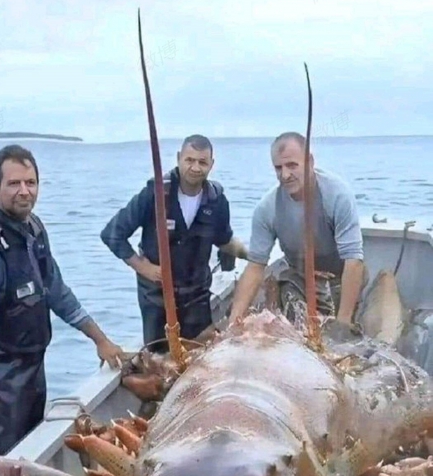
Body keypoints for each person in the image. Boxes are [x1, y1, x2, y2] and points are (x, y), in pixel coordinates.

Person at [0, 145, 124, 455]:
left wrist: (100, 339)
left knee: (31, 453)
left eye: (31, 182)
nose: (25, 191)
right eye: (14, 183)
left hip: (35, 368)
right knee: (7, 461)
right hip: (0, 378)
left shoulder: (33, 228)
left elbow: (57, 293)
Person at [101, 134, 248, 348]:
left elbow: (224, 240)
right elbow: (112, 234)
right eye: (189, 160)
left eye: (202, 162)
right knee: (159, 360)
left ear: (211, 165)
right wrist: (143, 267)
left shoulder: (216, 200)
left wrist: (253, 256)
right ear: (179, 158)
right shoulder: (156, 194)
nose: (195, 167)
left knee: (201, 351)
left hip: (197, 295)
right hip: (157, 297)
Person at [229, 131, 365, 329]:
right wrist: (234, 321)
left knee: (349, 332)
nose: (285, 175)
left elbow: (354, 261)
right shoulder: (267, 208)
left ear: (310, 161)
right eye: (278, 168)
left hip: (341, 279)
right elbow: (255, 267)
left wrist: (343, 324)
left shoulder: (337, 195)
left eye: (292, 165)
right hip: (300, 280)